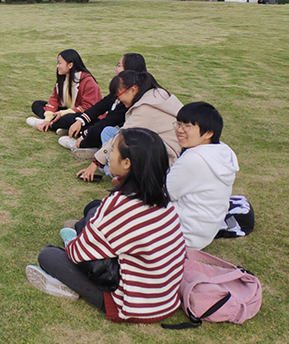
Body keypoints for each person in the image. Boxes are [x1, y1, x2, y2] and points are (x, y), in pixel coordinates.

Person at [26, 128, 186, 323]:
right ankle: (83, 231)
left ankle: (66, 282)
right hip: (166, 298)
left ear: (127, 163)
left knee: (49, 256)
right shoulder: (162, 200)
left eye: (113, 150)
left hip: (131, 304)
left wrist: (75, 241)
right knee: (94, 210)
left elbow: (76, 254)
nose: (108, 154)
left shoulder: (120, 205)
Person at [77, 71, 183, 181]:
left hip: (163, 159)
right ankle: (108, 163)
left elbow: (120, 137)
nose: (119, 100)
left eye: (119, 95)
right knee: (108, 132)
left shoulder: (145, 110)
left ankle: (117, 173)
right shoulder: (156, 94)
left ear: (133, 89)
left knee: (118, 142)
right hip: (162, 150)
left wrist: (95, 163)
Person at [168, 102, 238, 250]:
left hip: (179, 235)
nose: (180, 130)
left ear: (208, 133)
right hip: (202, 234)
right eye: (178, 124)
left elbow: (164, 194)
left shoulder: (194, 159)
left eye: (187, 126)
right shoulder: (221, 152)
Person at [59, 53, 147, 160]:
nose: (116, 69)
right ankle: (80, 135)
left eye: (119, 65)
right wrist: (80, 121)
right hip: (111, 127)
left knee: (102, 130)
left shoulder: (131, 98)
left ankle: (84, 145)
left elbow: (109, 121)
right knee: (76, 119)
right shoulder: (123, 89)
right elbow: (101, 105)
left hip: (122, 135)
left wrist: (84, 139)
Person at [27, 49, 102, 134]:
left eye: (59, 63)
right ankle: (52, 123)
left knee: (68, 118)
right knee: (37, 104)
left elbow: (88, 107)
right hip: (68, 110)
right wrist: (48, 117)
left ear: (70, 65)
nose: (57, 66)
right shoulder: (63, 77)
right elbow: (55, 98)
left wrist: (63, 113)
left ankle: (53, 124)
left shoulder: (87, 81)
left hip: (84, 114)